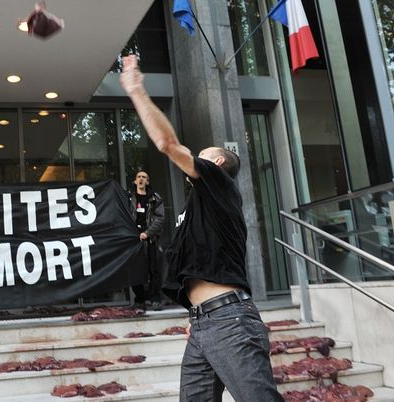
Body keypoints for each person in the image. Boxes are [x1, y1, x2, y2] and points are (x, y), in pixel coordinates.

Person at [119, 55, 283, 401]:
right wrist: (193, 311)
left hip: (229, 321)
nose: (194, 161)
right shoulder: (200, 207)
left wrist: (136, 90)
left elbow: (167, 145)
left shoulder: (219, 183)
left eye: (203, 155)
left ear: (218, 162)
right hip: (203, 324)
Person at [128, 170, 166, 310]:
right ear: (135, 181)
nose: (141, 179)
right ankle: (140, 300)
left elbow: (160, 218)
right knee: (135, 270)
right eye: (139, 177)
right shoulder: (129, 198)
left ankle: (155, 298)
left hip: (150, 240)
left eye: (144, 177)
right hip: (134, 241)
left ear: (148, 181)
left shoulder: (155, 198)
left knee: (153, 269)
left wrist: (148, 233)